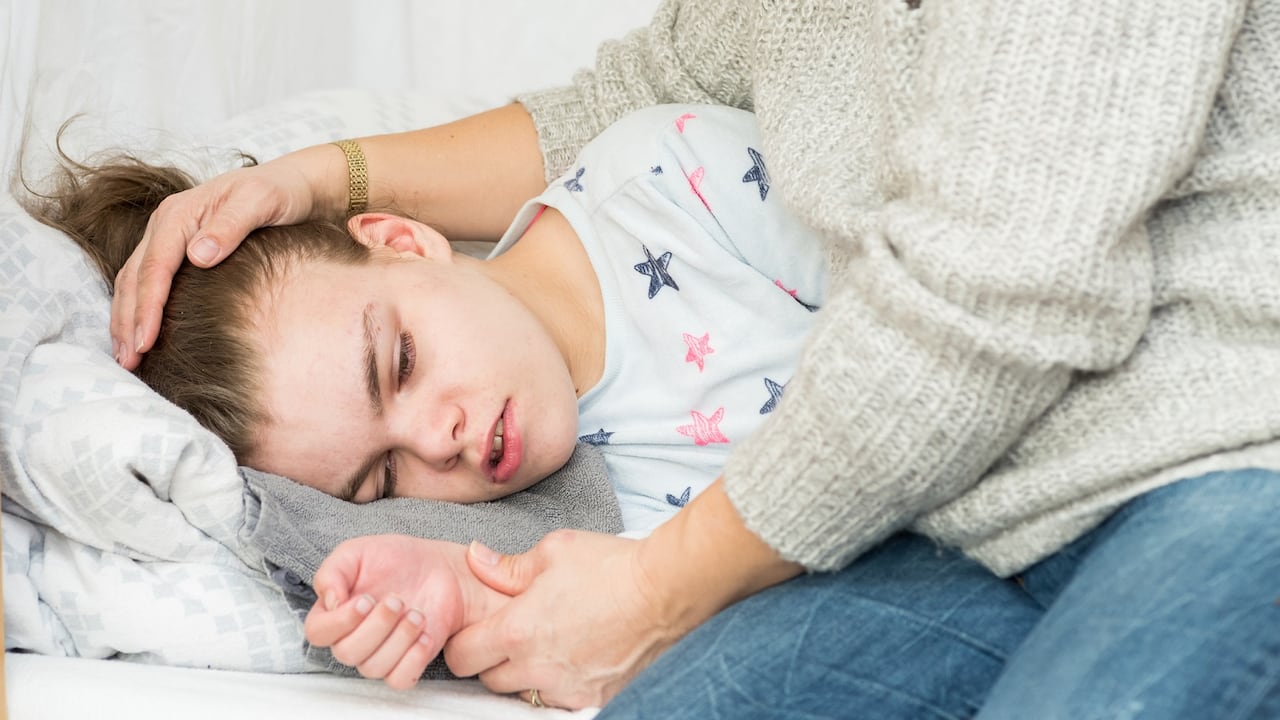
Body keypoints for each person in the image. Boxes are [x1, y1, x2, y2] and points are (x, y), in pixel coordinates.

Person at [112, 0, 1280, 717]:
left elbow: (981, 307)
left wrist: (663, 588)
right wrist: (317, 173)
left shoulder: (691, 209)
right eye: (382, 474)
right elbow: (657, 78)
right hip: (961, 528)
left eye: (402, 366)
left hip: (1215, 443)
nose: (441, 437)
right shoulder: (561, 449)